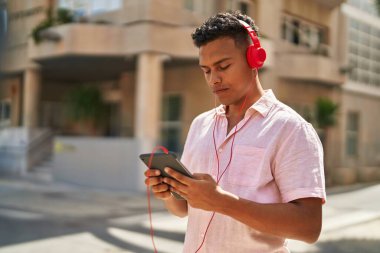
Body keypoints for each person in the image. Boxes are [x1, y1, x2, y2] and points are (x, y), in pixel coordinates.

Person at [144, 11, 326, 253]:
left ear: (255, 58)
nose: (214, 80)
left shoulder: (291, 129)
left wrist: (222, 202)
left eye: (223, 66)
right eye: (206, 70)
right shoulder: (200, 124)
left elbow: (309, 227)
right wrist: (168, 193)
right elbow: (184, 209)